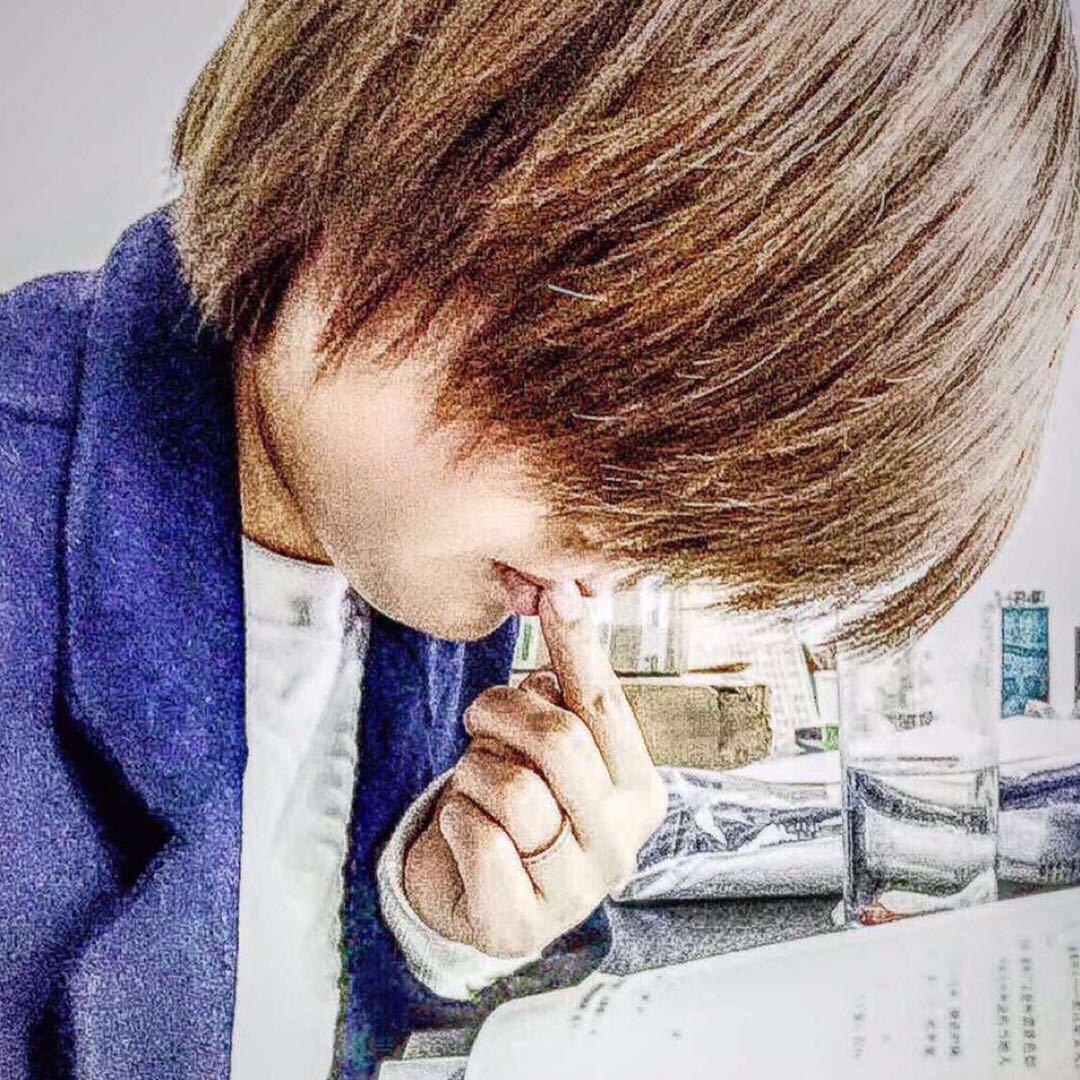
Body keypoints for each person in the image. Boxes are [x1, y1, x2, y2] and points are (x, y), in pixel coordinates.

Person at [3, 2, 1079, 1078]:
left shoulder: (398, 545)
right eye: (614, 425)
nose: (602, 574)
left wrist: (436, 924)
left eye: (685, 527)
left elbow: (274, 988)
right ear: (404, 139)